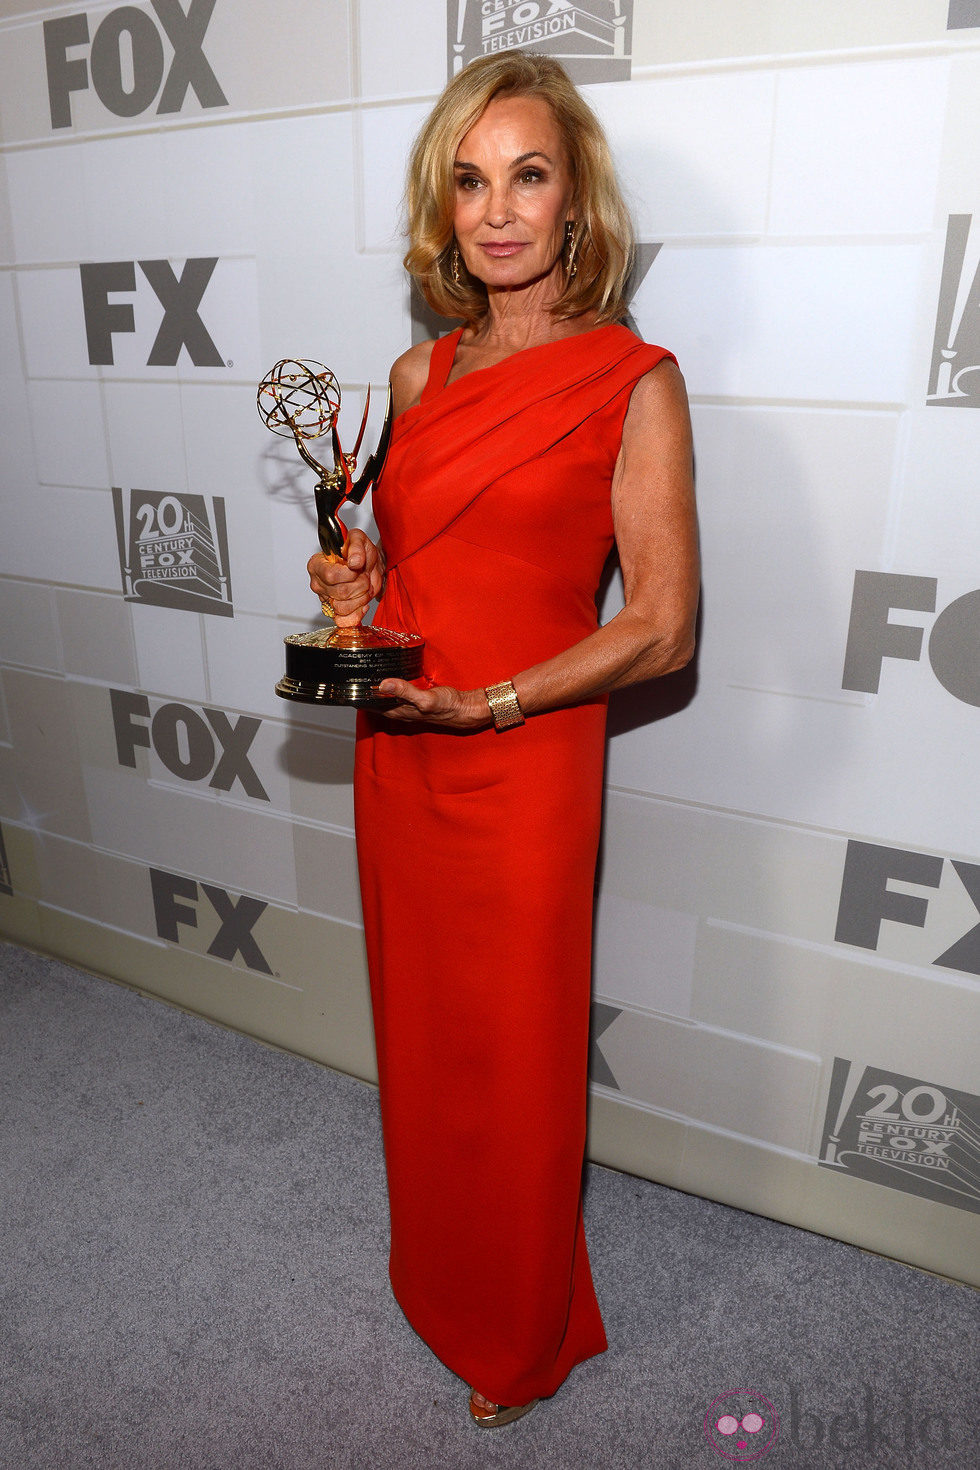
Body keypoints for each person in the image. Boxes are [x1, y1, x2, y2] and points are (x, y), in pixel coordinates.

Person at [308, 50, 699, 1429]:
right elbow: (415, 572)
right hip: (403, 746)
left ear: (576, 197)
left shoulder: (632, 380)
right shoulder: (419, 373)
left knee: (518, 1052)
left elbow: (662, 626)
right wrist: (365, 590)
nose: (498, 211)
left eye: (528, 175)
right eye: (470, 181)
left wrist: (493, 702)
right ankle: (439, 1271)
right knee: (424, 1035)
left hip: (524, 755)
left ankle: (520, 1331)